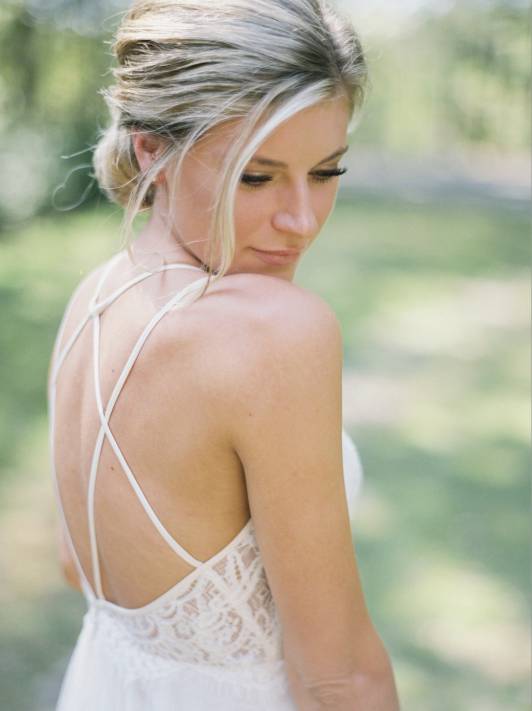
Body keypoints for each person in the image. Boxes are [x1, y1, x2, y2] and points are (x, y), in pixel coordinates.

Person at [47, 0, 401, 709]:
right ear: (152, 150)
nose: (301, 219)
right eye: (257, 176)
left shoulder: (94, 298)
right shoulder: (276, 331)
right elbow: (338, 673)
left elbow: (73, 564)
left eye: (326, 172)